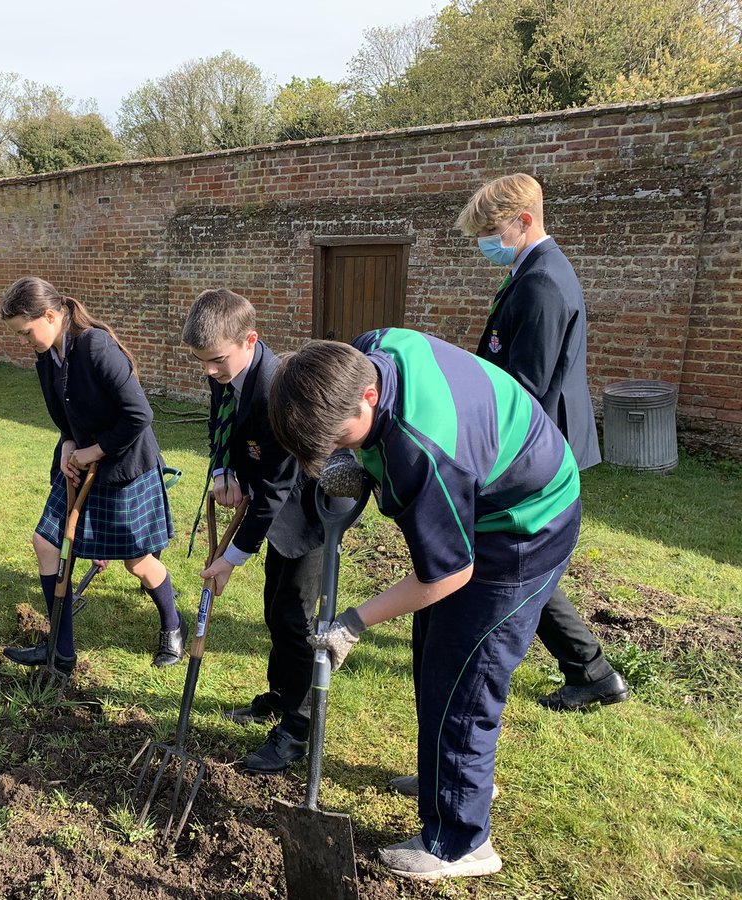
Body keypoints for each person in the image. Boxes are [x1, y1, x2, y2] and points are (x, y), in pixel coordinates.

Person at [269, 328, 582, 881]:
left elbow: (451, 572)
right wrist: (357, 456)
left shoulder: (424, 448)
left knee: (463, 674)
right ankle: (448, 773)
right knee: (433, 652)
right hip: (489, 484)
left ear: (368, 396)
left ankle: (460, 843)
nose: (338, 452)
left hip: (523, 526)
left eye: (342, 440)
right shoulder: (370, 349)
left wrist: (352, 624)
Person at [457, 173, 628, 713]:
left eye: (491, 230)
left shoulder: (541, 283)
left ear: (524, 221)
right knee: (527, 559)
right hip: (544, 440)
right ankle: (590, 669)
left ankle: (591, 670)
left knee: (521, 558)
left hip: (537, 446)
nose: (485, 243)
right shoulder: (531, 270)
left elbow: (524, 390)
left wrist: (489, 449)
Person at [181, 288, 338, 773]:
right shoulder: (223, 369)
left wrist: (231, 558)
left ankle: (298, 730)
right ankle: (278, 694)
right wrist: (224, 472)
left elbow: (276, 488)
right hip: (271, 488)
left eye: (217, 361)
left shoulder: (277, 389)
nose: (209, 372)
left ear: (251, 340)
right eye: (202, 362)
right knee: (276, 609)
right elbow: (221, 425)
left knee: (294, 617)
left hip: (309, 507)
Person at [0, 276, 182, 672]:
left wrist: (93, 451)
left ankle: (172, 624)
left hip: (125, 467)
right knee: (46, 544)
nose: (25, 340)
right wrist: (69, 445)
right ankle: (61, 652)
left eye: (26, 331)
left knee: (137, 561)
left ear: (50, 315)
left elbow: (139, 415)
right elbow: (67, 416)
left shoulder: (95, 346)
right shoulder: (47, 356)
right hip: (82, 463)